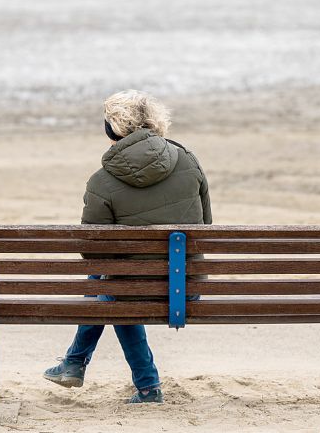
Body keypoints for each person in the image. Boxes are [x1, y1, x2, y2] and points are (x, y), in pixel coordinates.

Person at [42, 89, 211, 404]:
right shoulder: (187, 160)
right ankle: (98, 370)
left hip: (129, 292)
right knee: (115, 282)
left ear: (112, 130)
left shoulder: (101, 181)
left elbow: (92, 252)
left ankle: (82, 364)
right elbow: (204, 228)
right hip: (185, 288)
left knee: (113, 283)